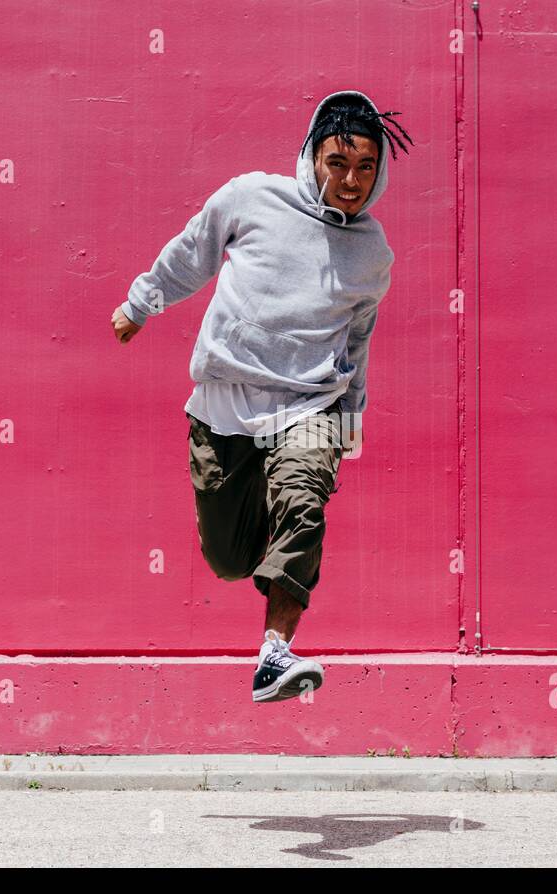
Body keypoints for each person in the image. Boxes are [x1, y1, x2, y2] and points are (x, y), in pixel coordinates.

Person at [111, 90, 412, 702]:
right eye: (338, 163)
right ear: (313, 154)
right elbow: (193, 253)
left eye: (365, 168)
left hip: (310, 404)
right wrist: (141, 303)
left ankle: (275, 655)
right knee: (227, 557)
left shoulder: (373, 253)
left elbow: (358, 338)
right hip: (225, 401)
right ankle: (260, 574)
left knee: (304, 506)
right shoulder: (252, 197)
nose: (351, 181)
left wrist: (350, 415)